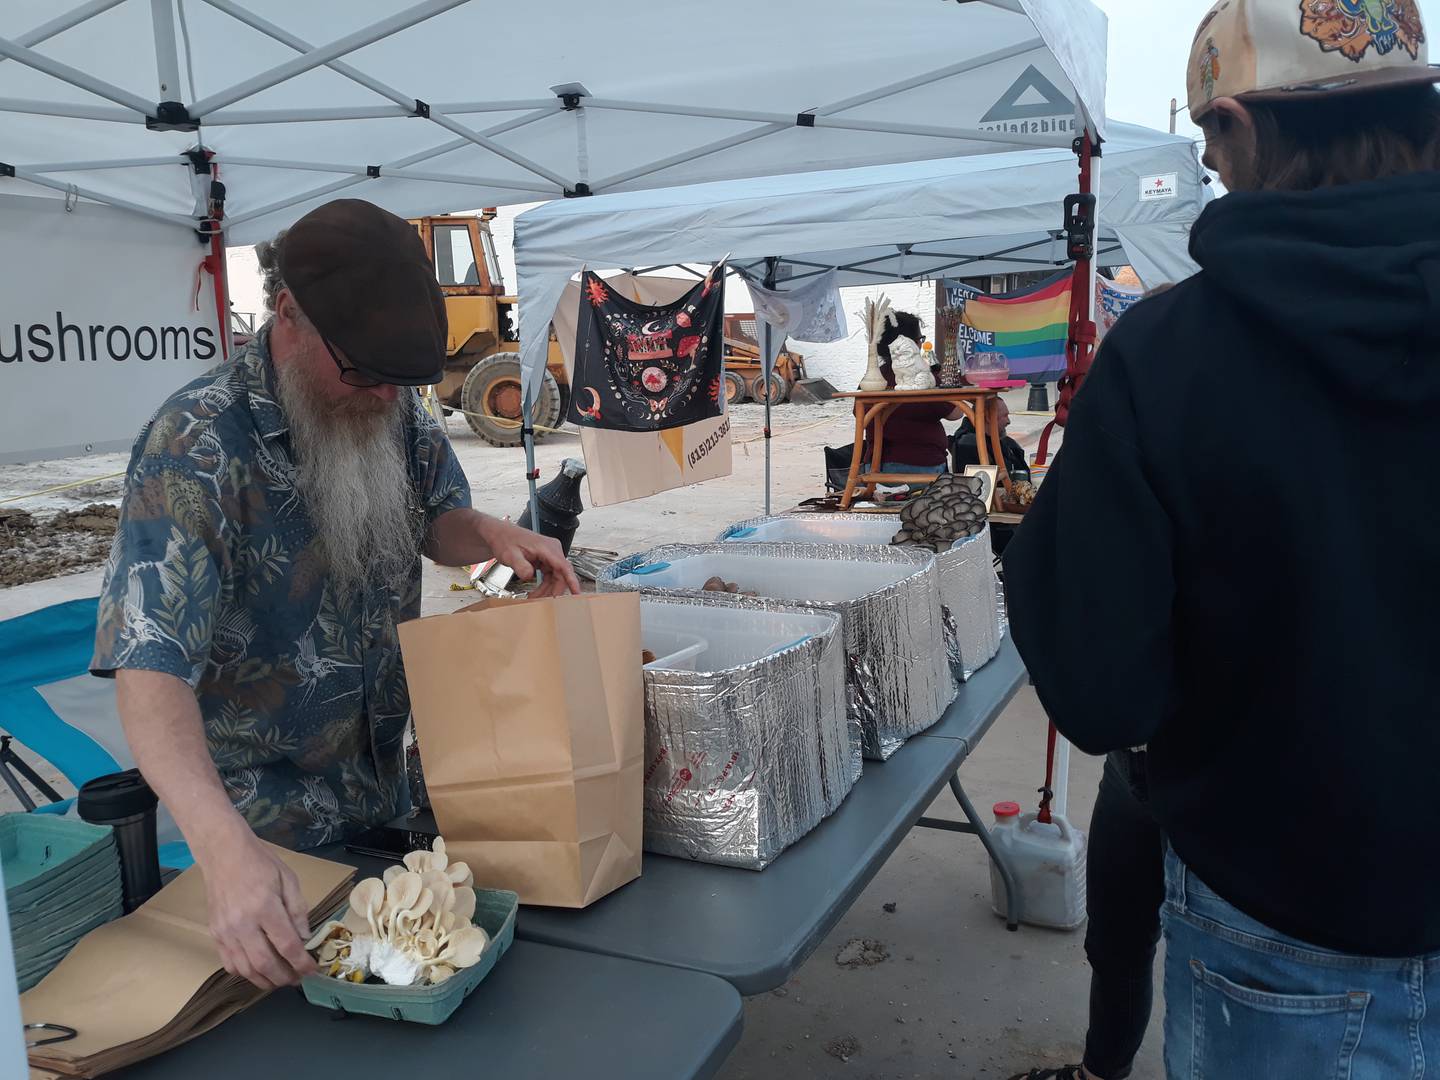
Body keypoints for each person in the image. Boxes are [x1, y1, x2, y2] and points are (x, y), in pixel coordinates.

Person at [1004, 0, 1440, 1075]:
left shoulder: (1169, 358)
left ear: (1240, 127)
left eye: (1206, 143)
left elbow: (1103, 693)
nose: (1210, 167)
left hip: (1283, 918)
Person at [91, 199, 580, 992]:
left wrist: (492, 534)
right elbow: (148, 671)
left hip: (391, 799)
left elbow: (436, 519)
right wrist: (223, 852)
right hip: (269, 848)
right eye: (364, 375)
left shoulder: (388, 403)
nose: (387, 401)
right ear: (288, 315)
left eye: (402, 382)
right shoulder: (193, 445)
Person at [866, 311, 967, 480]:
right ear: (910, 343)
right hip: (923, 466)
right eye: (920, 339)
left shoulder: (872, 379)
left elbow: (860, 416)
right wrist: (945, 382)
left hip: (875, 469)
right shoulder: (922, 376)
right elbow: (956, 413)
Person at [950, 396, 1027, 477]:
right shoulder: (969, 444)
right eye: (1005, 416)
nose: (1008, 421)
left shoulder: (1007, 442)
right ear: (988, 418)